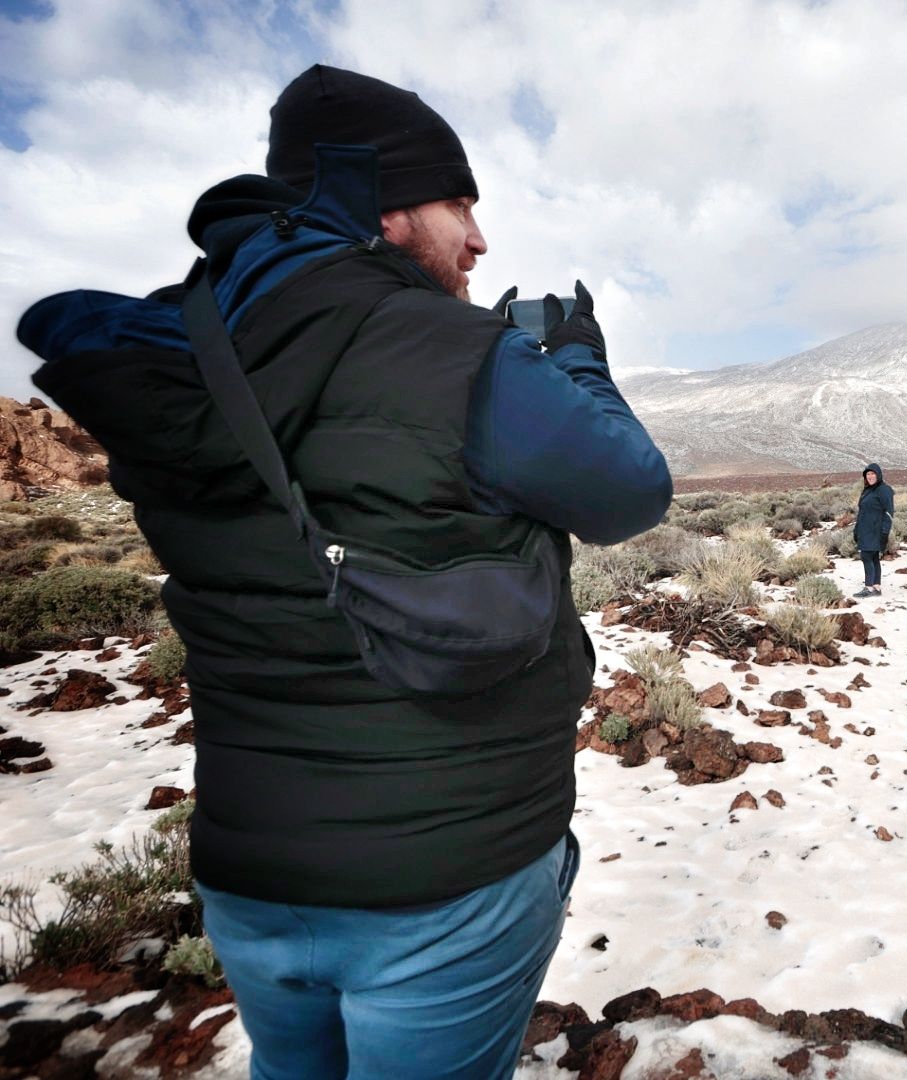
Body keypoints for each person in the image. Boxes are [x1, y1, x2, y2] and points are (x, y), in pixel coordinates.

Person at [17, 65, 671, 1080]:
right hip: (447, 879)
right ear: (391, 208)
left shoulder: (183, 351)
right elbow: (630, 492)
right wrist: (573, 359)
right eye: (460, 203)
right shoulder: (460, 351)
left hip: (252, 875)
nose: (481, 238)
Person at [853, 463, 894, 597]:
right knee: (874, 557)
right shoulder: (868, 490)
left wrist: (885, 532)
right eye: (868, 474)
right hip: (865, 529)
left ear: (878, 474)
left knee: (866, 556)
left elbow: (888, 513)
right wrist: (856, 529)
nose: (870, 476)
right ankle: (876, 587)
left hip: (875, 530)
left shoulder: (884, 490)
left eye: (872, 473)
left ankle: (869, 587)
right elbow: (863, 511)